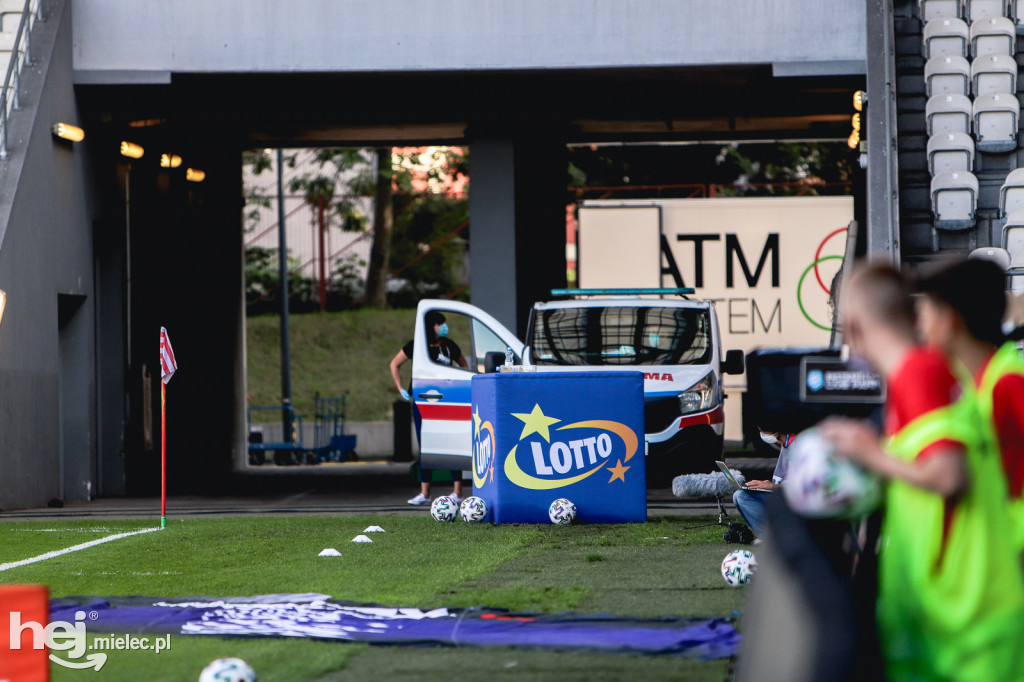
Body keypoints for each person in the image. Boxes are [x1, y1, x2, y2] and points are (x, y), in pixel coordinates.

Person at [819, 263, 1024, 681]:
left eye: (926, 310)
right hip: (957, 603)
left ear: (852, 326)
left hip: (975, 604)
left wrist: (871, 455)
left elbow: (952, 476)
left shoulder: (941, 375)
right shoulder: (949, 376)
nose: (921, 320)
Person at [916, 257, 1024, 549]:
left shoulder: (1008, 380)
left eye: (926, 313)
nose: (921, 325)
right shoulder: (972, 380)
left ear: (949, 320)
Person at [389, 310, 466, 506]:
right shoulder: (417, 345)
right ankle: (425, 493)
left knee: (451, 444)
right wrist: (401, 389)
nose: (444, 327)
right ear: (430, 327)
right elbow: (394, 364)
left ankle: (457, 492)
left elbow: (464, 367)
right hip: (423, 402)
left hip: (447, 402)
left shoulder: (449, 346)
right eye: (440, 324)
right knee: (426, 446)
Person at [732, 429, 795, 538]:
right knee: (739, 495)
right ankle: (769, 536)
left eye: (764, 430)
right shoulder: (785, 443)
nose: (762, 434)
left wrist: (772, 486)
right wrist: (766, 485)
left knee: (742, 496)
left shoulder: (799, 445)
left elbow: (802, 486)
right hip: (780, 495)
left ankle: (773, 538)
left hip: (793, 500)